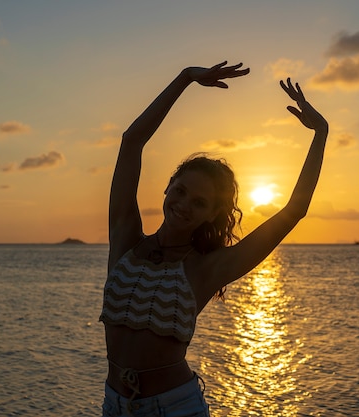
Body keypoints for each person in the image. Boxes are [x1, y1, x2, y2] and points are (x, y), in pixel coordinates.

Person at [99, 61, 328, 416]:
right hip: (115, 405)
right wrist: (185, 78)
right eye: (180, 191)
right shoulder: (126, 239)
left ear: (210, 214)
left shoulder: (206, 268)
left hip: (175, 407)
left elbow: (293, 211)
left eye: (199, 202)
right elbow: (131, 142)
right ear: (167, 188)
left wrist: (320, 135)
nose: (183, 205)